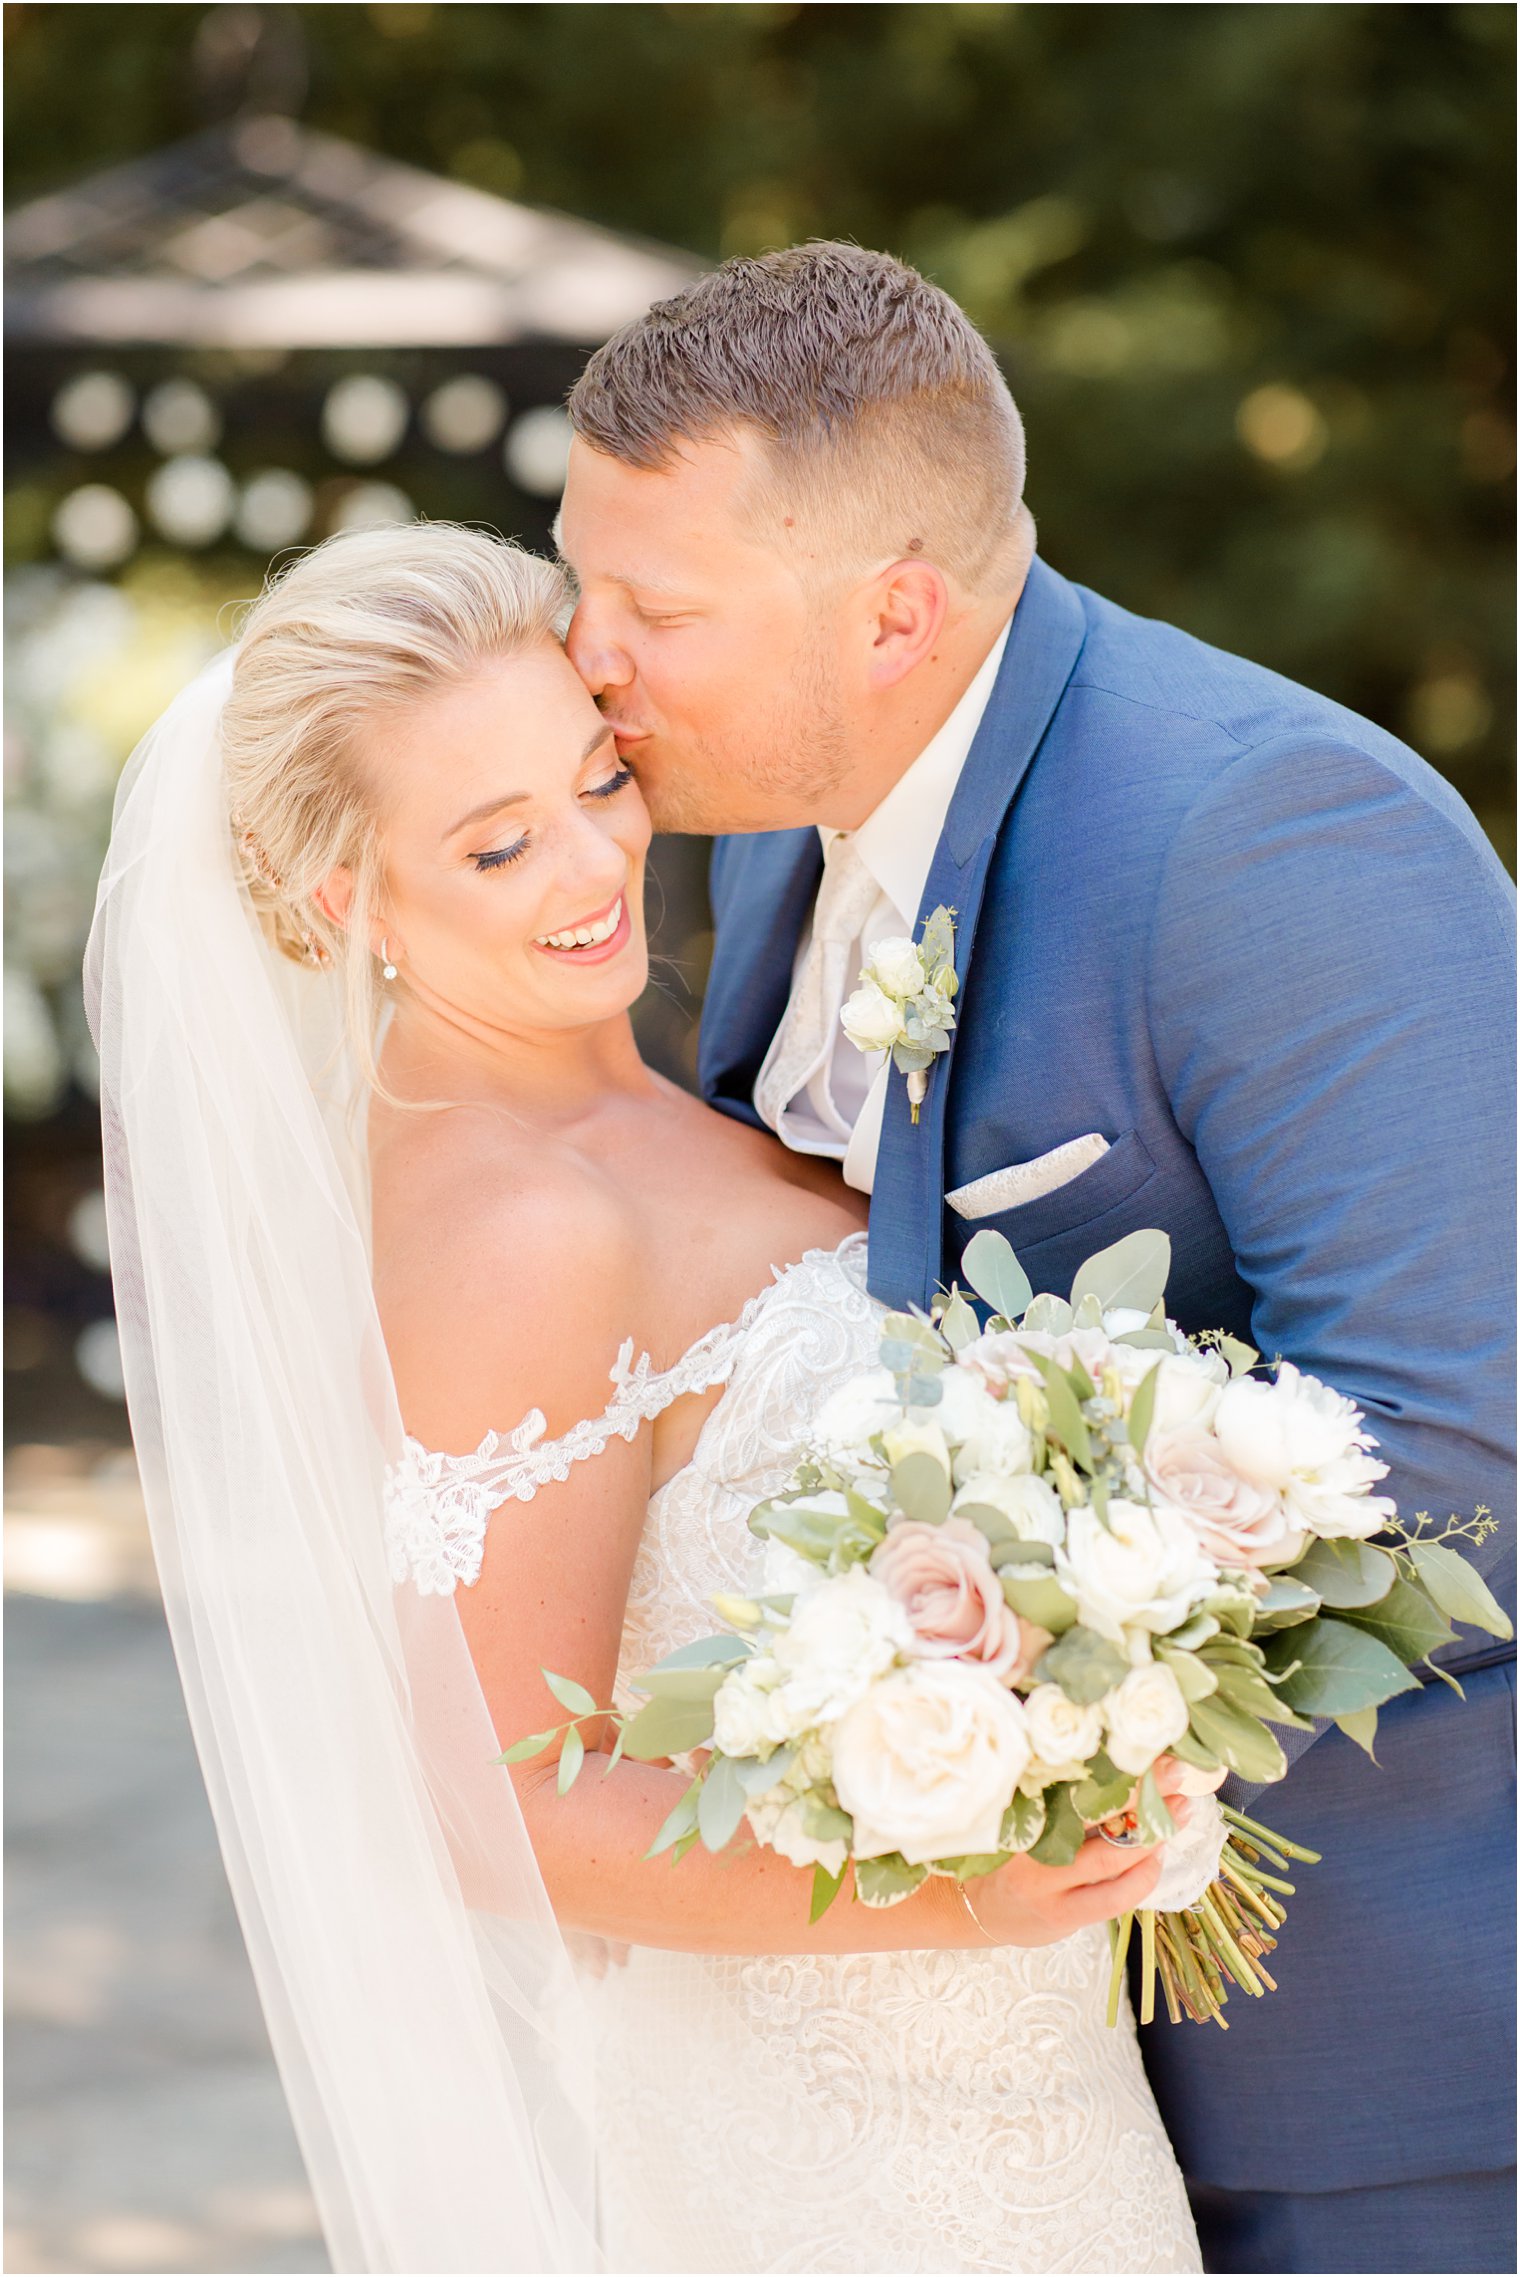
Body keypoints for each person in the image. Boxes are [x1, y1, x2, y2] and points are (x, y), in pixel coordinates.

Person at [89, 521, 1210, 2275]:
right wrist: (953, 1885)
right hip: (841, 2158)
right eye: (494, 843)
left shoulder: (709, 1087)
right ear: (344, 900)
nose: (589, 862)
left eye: (598, 778)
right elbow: (493, 1802)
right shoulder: (514, 1226)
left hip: (1027, 2085)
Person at [557, 240, 1517, 2276]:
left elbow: (1469, 1434)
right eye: (582, 581)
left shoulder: (1268, 831)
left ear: (895, 608)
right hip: (957, 2070)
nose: (588, 656)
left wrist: (990, 1639)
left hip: (1344, 2065)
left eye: (654, 607)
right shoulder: (763, 821)